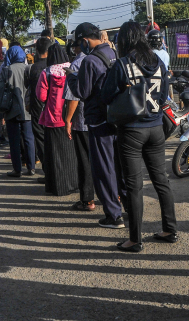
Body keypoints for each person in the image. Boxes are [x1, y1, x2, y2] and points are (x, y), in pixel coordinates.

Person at [101, 21, 176, 253]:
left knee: (134, 186)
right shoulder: (158, 62)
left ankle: (134, 239)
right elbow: (164, 95)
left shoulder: (122, 64)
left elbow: (105, 95)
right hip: (156, 129)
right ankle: (169, 229)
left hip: (132, 130)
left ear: (124, 41)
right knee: (161, 180)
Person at [67, 22, 126, 229]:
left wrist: (71, 78)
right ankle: (126, 209)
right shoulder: (113, 53)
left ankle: (113, 214)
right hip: (116, 117)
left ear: (84, 40)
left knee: (103, 168)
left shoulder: (90, 61)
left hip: (98, 120)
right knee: (118, 166)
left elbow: (82, 92)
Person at [37, 54, 80, 196]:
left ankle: (57, 186)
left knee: (54, 154)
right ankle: (74, 184)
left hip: (53, 117)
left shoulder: (47, 72)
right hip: (71, 115)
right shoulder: (72, 67)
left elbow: (41, 96)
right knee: (71, 153)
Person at [64, 40, 95, 211]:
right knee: (104, 160)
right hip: (100, 119)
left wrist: (68, 120)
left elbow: (74, 97)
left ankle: (87, 200)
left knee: (84, 162)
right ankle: (114, 196)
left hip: (82, 121)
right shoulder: (100, 58)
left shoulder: (76, 63)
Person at [0, 45, 35, 177]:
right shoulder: (29, 69)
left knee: (14, 141)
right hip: (27, 109)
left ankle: (17, 169)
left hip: (11, 110)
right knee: (29, 139)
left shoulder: (7, 70)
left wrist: (1, 113)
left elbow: (1, 90)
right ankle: (31, 167)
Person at [27, 39, 52, 168]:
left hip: (37, 108)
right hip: (53, 109)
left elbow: (31, 88)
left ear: (36, 51)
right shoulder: (53, 65)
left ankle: (46, 169)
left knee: (40, 140)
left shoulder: (34, 68)